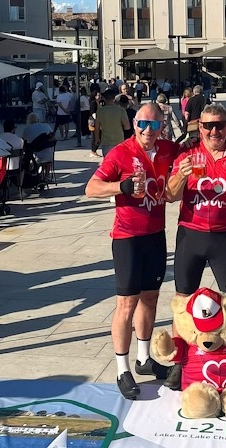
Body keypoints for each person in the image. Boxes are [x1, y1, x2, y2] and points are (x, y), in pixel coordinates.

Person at [85, 103, 182, 400]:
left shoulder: (168, 149)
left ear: (162, 126)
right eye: (142, 124)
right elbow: (91, 188)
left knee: (150, 298)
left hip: (155, 235)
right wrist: (122, 186)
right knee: (126, 303)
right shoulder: (121, 152)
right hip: (127, 237)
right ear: (134, 123)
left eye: (154, 125)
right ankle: (121, 369)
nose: (147, 131)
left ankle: (143, 359)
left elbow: (193, 154)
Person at [165, 103, 226, 390]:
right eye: (208, 126)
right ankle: (180, 364)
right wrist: (181, 174)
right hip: (190, 236)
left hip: (223, 237)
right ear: (199, 128)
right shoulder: (188, 155)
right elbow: (169, 195)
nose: (214, 130)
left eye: (219, 125)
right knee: (182, 302)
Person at [94, 88, 130, 157]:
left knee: (109, 164)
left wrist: (97, 139)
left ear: (104, 98)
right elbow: (127, 126)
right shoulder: (121, 110)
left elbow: (97, 128)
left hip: (106, 141)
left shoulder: (100, 111)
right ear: (114, 98)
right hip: (119, 140)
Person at [22, 112, 55, 181]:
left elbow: (23, 142)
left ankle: (34, 175)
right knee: (47, 153)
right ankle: (47, 175)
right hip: (48, 155)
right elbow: (52, 137)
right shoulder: (46, 126)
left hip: (35, 155)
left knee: (29, 153)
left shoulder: (27, 129)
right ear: (38, 119)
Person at [0, 118, 24, 187]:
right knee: (22, 166)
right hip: (15, 168)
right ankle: (20, 186)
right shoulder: (19, 140)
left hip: (1, 168)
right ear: (13, 129)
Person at [89, 91, 102, 158]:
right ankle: (93, 151)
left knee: (98, 137)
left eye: (100, 95)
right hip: (94, 122)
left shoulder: (98, 102)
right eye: (98, 95)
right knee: (95, 137)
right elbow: (93, 112)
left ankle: (94, 151)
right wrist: (97, 120)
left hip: (97, 121)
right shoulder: (93, 103)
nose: (99, 96)